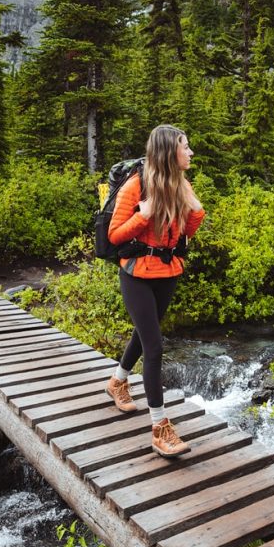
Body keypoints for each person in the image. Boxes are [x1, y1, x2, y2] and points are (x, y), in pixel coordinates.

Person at [104, 124, 205, 457]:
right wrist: (142, 217)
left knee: (144, 334)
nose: (190, 152)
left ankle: (118, 381)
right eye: (185, 147)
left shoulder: (181, 184)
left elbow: (187, 229)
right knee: (155, 346)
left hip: (168, 271)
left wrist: (196, 209)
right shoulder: (136, 186)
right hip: (136, 274)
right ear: (168, 152)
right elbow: (114, 236)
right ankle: (160, 428)